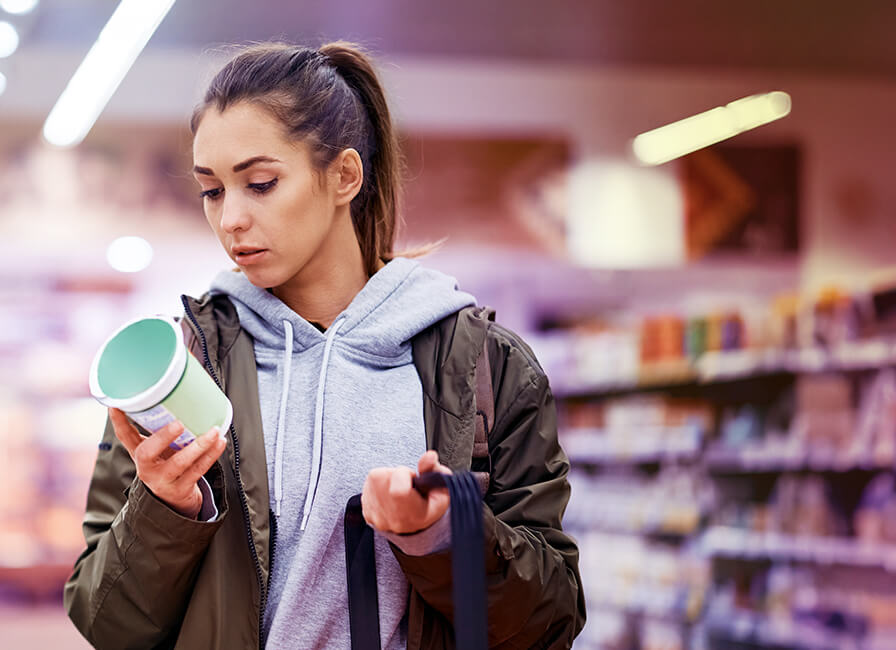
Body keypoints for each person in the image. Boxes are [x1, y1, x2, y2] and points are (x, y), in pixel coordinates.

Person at [64, 42, 584, 649]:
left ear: (344, 176)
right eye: (212, 190)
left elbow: (550, 622)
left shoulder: (485, 368)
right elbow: (106, 624)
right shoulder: (180, 367)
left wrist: (440, 536)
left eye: (260, 183)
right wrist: (165, 509)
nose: (230, 218)